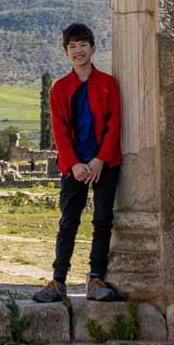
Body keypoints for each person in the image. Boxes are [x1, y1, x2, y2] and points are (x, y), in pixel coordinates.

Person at [32, 23, 123, 304]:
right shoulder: (59, 89)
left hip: (103, 164)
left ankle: (95, 279)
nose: (78, 50)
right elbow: (58, 131)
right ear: (66, 53)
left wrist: (99, 160)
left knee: (102, 221)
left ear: (93, 48)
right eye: (72, 46)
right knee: (68, 222)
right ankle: (58, 280)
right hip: (74, 167)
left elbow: (114, 124)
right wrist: (73, 164)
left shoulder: (108, 84)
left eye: (83, 45)